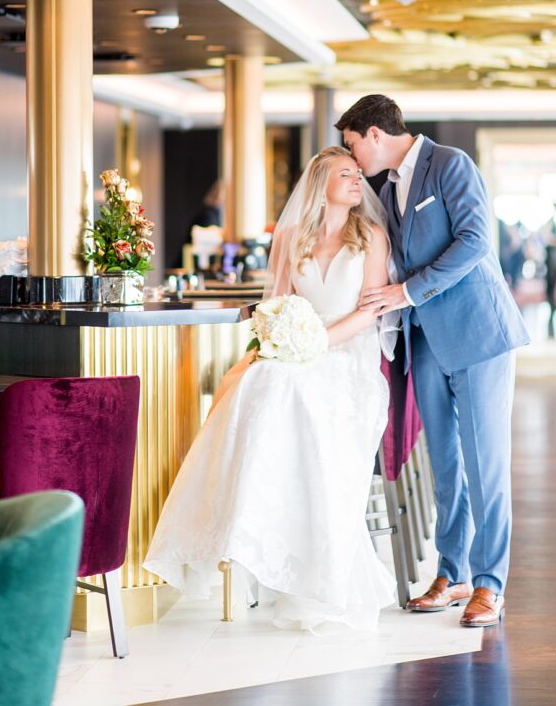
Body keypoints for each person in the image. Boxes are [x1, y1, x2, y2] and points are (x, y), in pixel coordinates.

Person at [144, 147, 396, 631]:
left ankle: (310, 559)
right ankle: (247, 536)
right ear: (320, 183)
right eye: (346, 174)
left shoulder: (372, 237)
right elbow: (277, 302)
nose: (357, 181)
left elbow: (370, 312)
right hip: (299, 348)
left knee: (293, 391)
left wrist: (316, 342)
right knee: (255, 381)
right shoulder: (290, 238)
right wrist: (278, 339)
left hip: (348, 351)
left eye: (358, 174)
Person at [336, 95, 530, 628]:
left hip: (479, 335)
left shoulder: (450, 164)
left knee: (484, 464)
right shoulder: (389, 186)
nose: (352, 157)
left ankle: (491, 584)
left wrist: (407, 292)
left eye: (353, 144)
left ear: (374, 133)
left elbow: (474, 242)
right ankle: (453, 571)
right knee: (445, 466)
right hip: (426, 343)